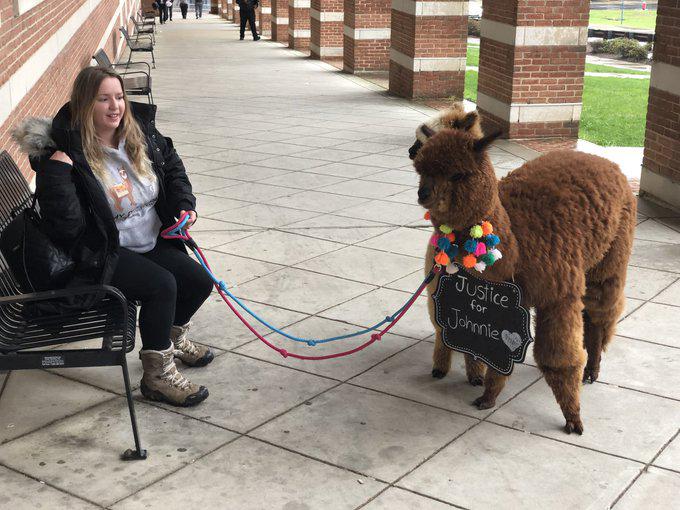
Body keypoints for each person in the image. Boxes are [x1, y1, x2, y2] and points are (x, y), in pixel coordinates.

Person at [30, 67, 215, 407]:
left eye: (119, 97)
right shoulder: (69, 156)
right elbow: (67, 229)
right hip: (104, 253)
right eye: (103, 99)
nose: (115, 106)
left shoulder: (139, 134)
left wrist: (184, 205)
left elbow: (173, 169)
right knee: (163, 285)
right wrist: (56, 172)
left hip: (149, 239)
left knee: (200, 282)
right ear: (85, 105)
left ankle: (170, 341)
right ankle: (157, 375)